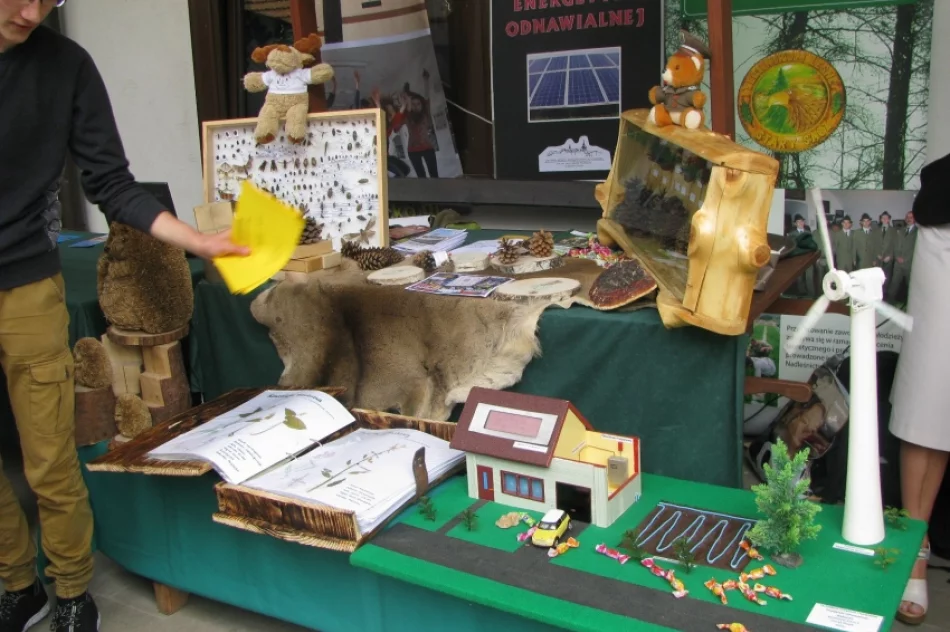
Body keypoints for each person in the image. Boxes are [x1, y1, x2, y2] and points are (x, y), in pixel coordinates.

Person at [0, 2, 248, 631]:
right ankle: (16, 583)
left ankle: (73, 591)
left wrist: (194, 240)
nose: (31, 12)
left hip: (26, 279)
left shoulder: (66, 66)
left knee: (49, 456)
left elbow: (110, 182)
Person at [889, 152, 950, 626]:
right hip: (945, 232)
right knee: (928, 395)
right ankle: (915, 547)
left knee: (947, 405)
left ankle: (920, 534)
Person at [390, 69, 439, 178]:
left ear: (422, 105)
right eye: (414, 104)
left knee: (434, 175)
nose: (416, 106)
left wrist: (426, 80)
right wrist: (404, 103)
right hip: (413, 151)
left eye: (418, 104)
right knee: (421, 177)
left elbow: (427, 97)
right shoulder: (408, 117)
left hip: (427, 148)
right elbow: (396, 127)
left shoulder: (426, 113)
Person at [886, 211, 917, 305]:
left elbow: (916, 249)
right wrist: (897, 256)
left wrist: (906, 259)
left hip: (909, 264)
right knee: (893, 285)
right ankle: (889, 305)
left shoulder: (918, 232)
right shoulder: (901, 231)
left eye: (911, 217)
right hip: (898, 264)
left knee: (911, 287)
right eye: (907, 217)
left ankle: (911, 306)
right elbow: (895, 245)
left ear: (915, 219)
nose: (909, 219)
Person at [872, 211, 896, 293]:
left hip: (888, 260)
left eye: (886, 218)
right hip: (878, 260)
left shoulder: (894, 231)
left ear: (889, 219)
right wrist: (876, 255)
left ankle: (885, 298)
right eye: (883, 218)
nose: (885, 219)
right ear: (881, 219)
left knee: (886, 280)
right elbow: (873, 245)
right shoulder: (875, 231)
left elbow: (895, 245)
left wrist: (890, 256)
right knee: (877, 280)